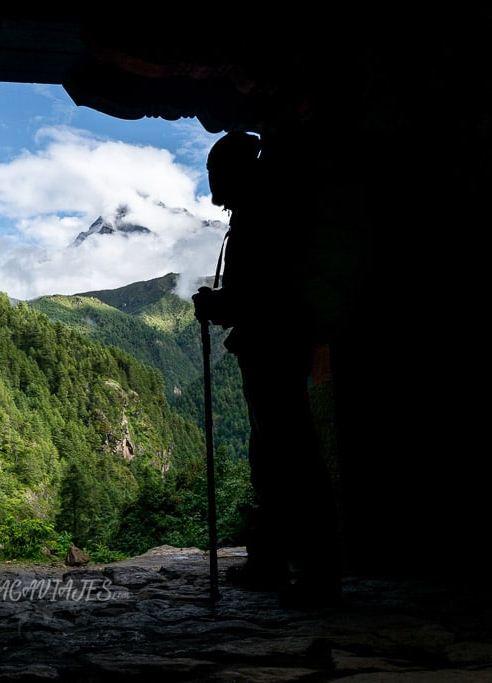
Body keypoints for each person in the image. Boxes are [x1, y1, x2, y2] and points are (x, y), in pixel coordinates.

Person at [192, 129, 341, 607]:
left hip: (271, 347)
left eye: (216, 173)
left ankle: (312, 574)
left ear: (232, 172)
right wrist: (225, 303)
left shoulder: (258, 220)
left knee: (288, 457)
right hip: (279, 345)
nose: (213, 184)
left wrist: (218, 304)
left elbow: (258, 294)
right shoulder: (265, 213)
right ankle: (277, 562)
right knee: (277, 457)